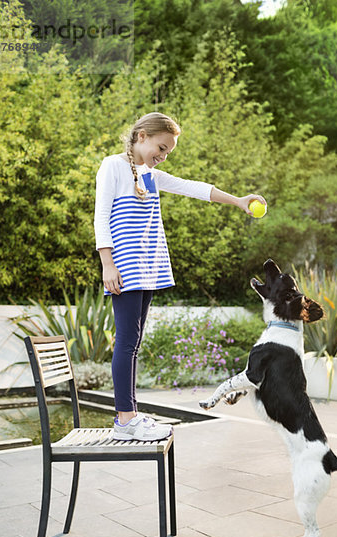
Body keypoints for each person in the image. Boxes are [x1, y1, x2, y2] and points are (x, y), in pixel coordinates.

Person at [94, 112, 266, 442]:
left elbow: (193, 188)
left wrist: (238, 201)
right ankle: (125, 419)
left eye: (168, 152)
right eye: (161, 147)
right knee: (127, 341)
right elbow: (101, 218)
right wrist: (108, 264)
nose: (163, 155)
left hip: (148, 267)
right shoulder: (112, 166)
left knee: (134, 342)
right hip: (125, 266)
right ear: (141, 136)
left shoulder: (148, 174)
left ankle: (128, 415)